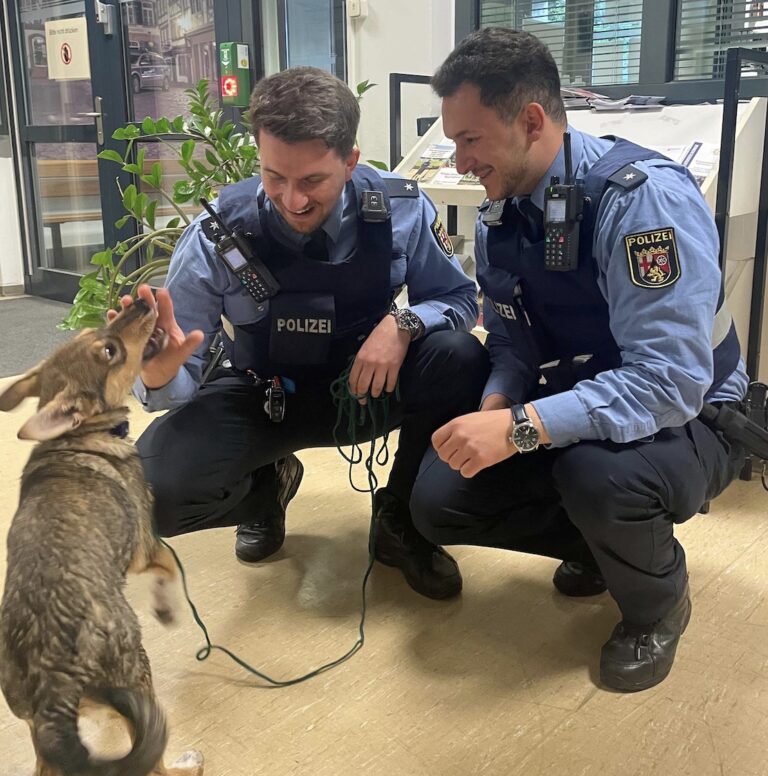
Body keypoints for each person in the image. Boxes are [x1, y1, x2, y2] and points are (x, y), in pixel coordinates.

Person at [411, 28, 749, 690]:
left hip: (698, 413)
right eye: (452, 142)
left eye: (469, 139)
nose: (458, 162)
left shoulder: (641, 201)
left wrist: (518, 430)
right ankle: (606, 548)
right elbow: (511, 339)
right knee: (439, 500)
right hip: (587, 392)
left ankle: (658, 603)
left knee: (600, 479)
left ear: (531, 120)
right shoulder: (500, 211)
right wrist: (497, 404)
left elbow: (669, 382)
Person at [129, 66, 489, 601]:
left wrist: (404, 323)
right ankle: (266, 490)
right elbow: (177, 372)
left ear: (350, 161)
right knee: (148, 494)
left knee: (460, 358)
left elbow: (461, 301)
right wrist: (158, 374)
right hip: (263, 396)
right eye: (274, 177)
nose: (292, 200)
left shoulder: (401, 211)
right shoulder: (216, 234)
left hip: (364, 391)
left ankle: (399, 520)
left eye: (311, 181)